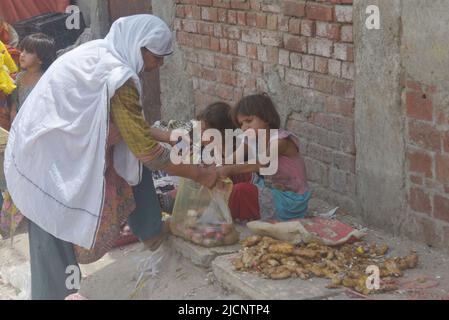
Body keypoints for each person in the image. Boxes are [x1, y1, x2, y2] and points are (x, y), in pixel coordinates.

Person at [4, 14, 218, 300]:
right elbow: (146, 151)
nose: (159, 65)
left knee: (129, 162)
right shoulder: (117, 75)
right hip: (46, 159)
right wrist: (199, 174)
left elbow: (125, 128)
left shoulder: (102, 54)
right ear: (139, 46)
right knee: (51, 230)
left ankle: (150, 229)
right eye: (157, 57)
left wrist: (167, 136)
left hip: (59, 149)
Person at [218, 94, 311, 222]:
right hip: (269, 187)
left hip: (290, 200)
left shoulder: (281, 141)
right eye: (241, 124)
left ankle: (224, 212)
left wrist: (228, 169)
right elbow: (231, 160)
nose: (245, 127)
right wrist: (214, 167)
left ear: (266, 118)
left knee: (241, 190)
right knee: (229, 174)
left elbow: (262, 163)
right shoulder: (250, 138)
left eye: (249, 121)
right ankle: (220, 205)